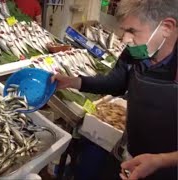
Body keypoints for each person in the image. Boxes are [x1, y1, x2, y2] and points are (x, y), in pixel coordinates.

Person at [51, 0, 178, 179]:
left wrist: (161, 161)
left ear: (166, 27)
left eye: (132, 31)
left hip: (167, 168)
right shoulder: (136, 52)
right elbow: (116, 83)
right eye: (124, 31)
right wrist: (73, 82)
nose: (125, 39)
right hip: (129, 151)